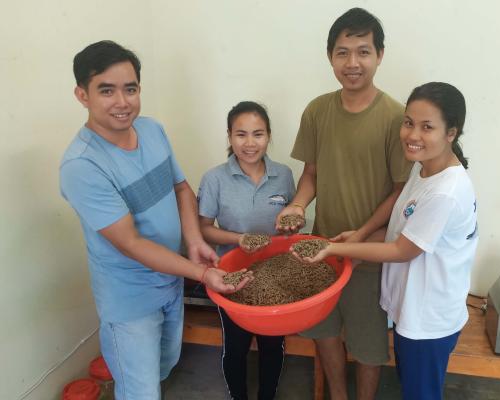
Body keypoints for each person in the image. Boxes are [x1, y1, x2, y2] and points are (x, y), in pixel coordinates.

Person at [60, 40, 249, 400]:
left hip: (171, 282)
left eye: (130, 89)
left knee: (165, 364)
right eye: (107, 90)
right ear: (82, 95)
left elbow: (180, 188)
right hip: (130, 299)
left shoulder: (151, 130)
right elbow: (130, 243)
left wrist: (194, 240)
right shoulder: (82, 166)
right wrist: (203, 273)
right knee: (140, 391)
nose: (122, 102)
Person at [293, 82, 479, 400]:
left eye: (427, 127)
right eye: (408, 123)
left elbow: (401, 250)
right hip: (412, 312)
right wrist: (358, 237)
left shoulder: (445, 191)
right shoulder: (423, 173)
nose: (413, 135)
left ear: (451, 133)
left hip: (429, 319)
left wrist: (334, 248)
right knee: (412, 388)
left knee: (421, 393)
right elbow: (398, 232)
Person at [276, 8, 413, 400]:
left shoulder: (396, 117)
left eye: (363, 52)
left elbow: (400, 191)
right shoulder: (317, 110)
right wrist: (299, 206)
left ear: (380, 55)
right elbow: (312, 174)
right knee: (324, 332)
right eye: (342, 52)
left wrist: (363, 233)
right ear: (330, 56)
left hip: (370, 255)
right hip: (321, 250)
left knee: (370, 346)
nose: (352, 63)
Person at [197, 101, 295, 400]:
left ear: (268, 136)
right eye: (241, 134)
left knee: (272, 344)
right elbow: (204, 228)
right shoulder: (215, 178)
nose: (250, 143)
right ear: (229, 136)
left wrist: (291, 225)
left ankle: (267, 395)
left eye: (258, 134)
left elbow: (291, 221)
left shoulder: (284, 174)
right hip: (231, 275)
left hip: (276, 274)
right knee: (236, 346)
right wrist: (240, 239)